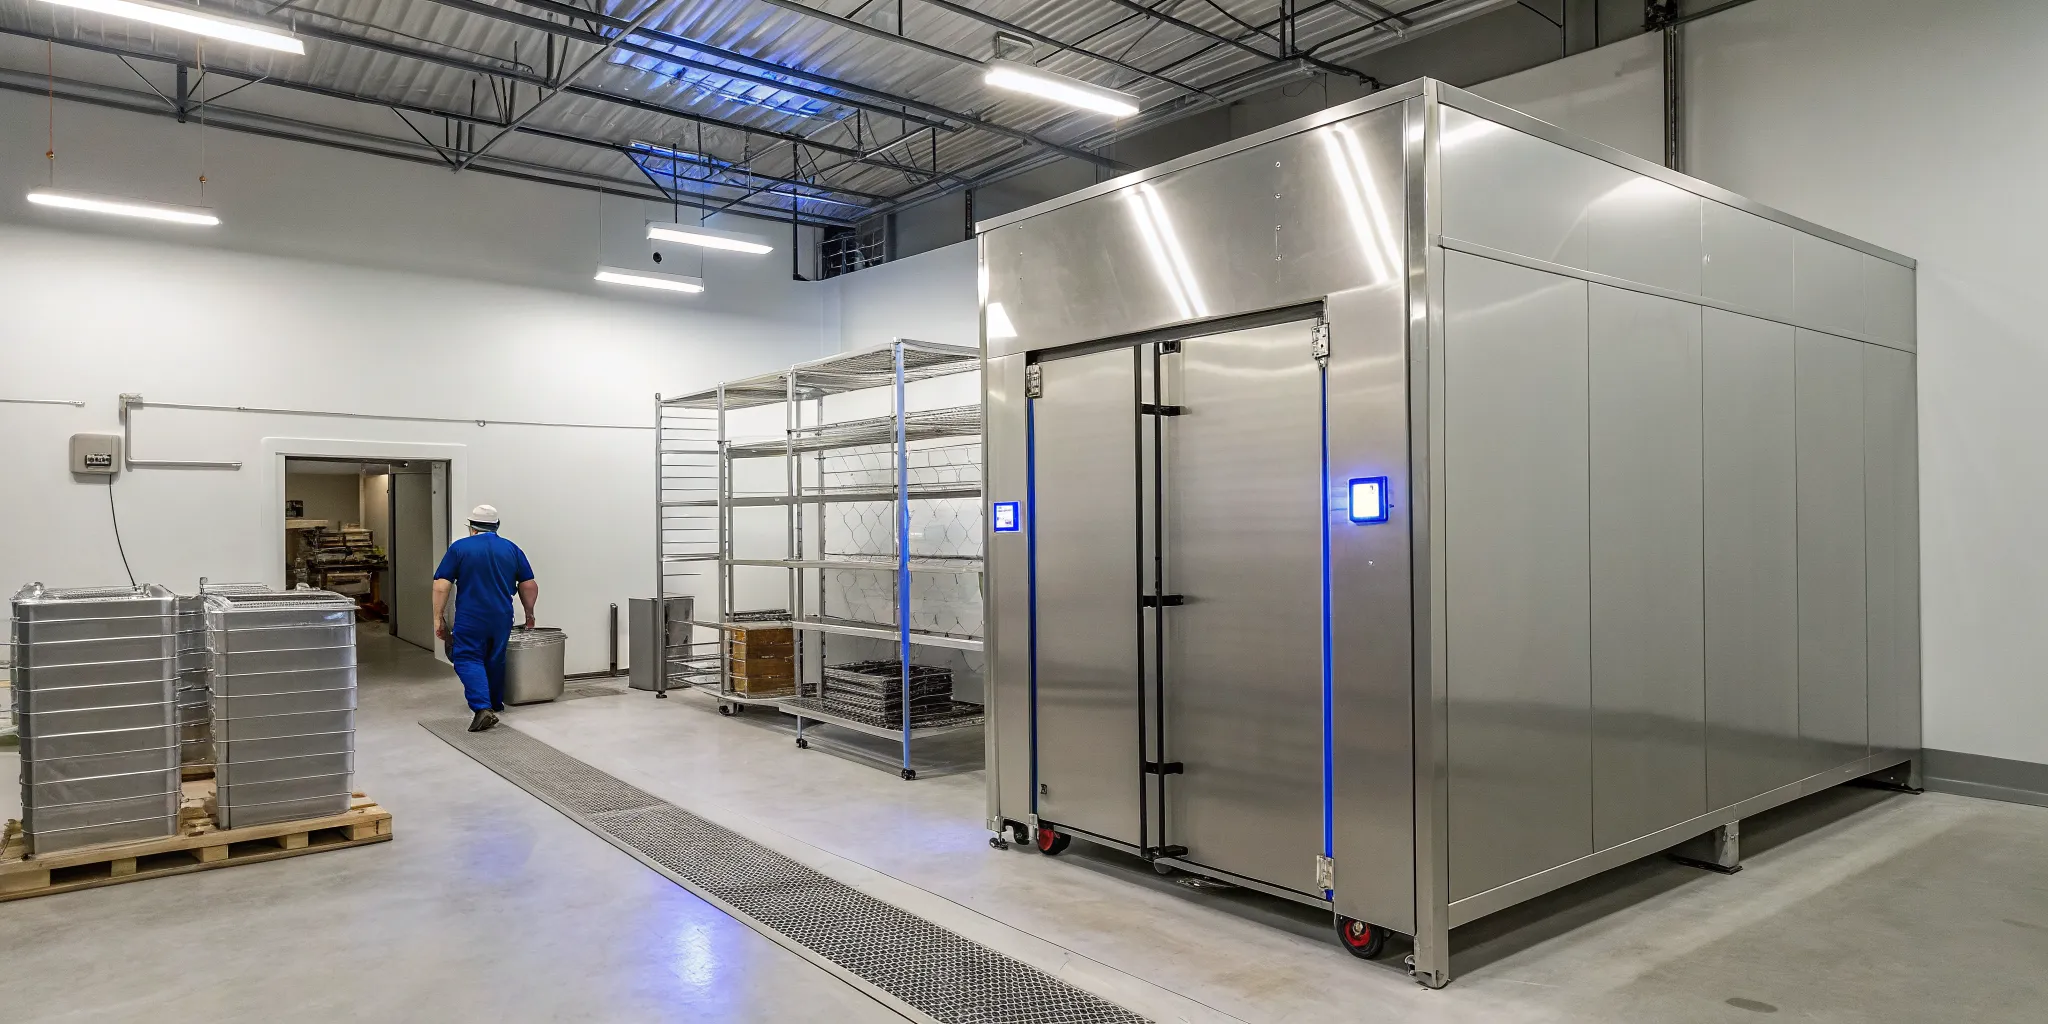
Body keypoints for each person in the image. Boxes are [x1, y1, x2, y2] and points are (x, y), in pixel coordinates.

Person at [432, 504, 537, 732]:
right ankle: (495, 703)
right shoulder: (511, 549)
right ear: (496, 526)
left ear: (471, 527)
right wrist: (529, 614)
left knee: (467, 657)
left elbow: (442, 585)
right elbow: (528, 584)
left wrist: (438, 617)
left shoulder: (459, 548)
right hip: (501, 615)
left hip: (472, 615)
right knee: (495, 657)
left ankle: (482, 708)